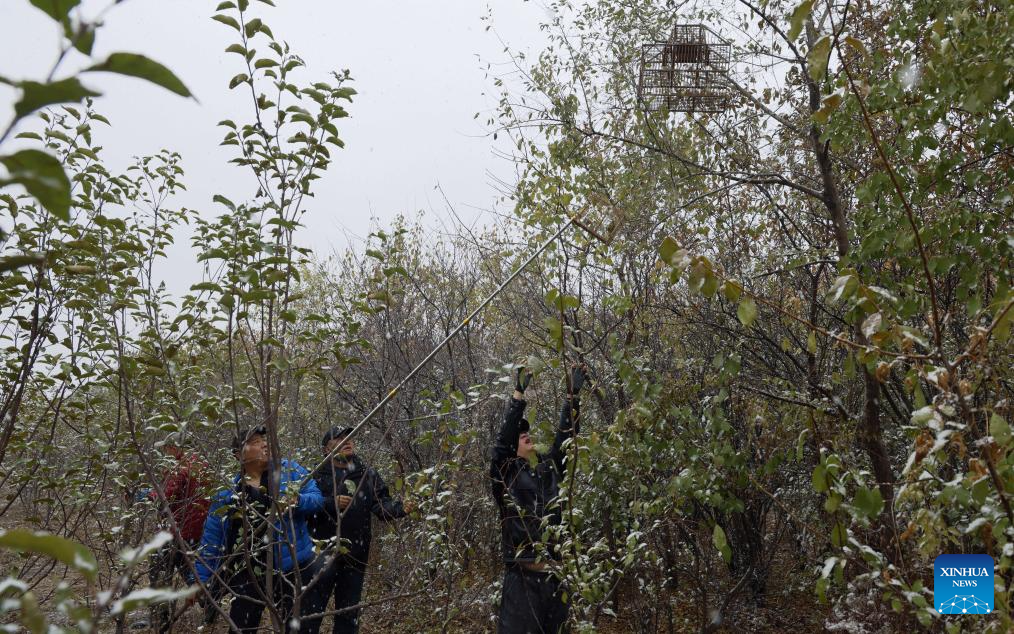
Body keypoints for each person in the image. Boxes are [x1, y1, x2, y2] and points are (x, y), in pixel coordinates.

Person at [193, 425, 329, 633]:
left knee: (299, 627)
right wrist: (200, 580)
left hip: (292, 567)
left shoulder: (290, 471)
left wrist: (298, 500)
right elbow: (212, 539)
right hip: (247, 573)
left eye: (264, 440)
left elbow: (318, 500)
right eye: (256, 442)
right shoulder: (228, 494)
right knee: (242, 626)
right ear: (238, 455)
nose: (265, 444)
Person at [490, 363, 585, 634]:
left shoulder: (550, 467)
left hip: (556, 580)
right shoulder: (505, 474)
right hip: (522, 582)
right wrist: (518, 394)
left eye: (527, 432)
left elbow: (566, 438)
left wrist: (572, 397)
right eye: (519, 435)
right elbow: (502, 443)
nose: (525, 434)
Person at [308, 426, 416, 634]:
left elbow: (381, 506)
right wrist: (330, 503)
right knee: (311, 612)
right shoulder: (315, 476)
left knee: (349, 615)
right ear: (326, 449)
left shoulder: (367, 474)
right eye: (338, 438)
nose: (346, 441)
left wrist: (401, 508)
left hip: (355, 556)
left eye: (348, 437)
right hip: (320, 556)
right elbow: (304, 507)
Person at [147, 439, 211, 630]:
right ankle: (209, 606)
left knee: (159, 571)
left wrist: (144, 496)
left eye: (167, 448)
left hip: (176, 531)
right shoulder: (202, 464)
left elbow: (164, 496)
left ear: (174, 447)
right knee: (192, 572)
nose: (166, 453)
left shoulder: (179, 467)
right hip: (196, 530)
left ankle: (160, 618)